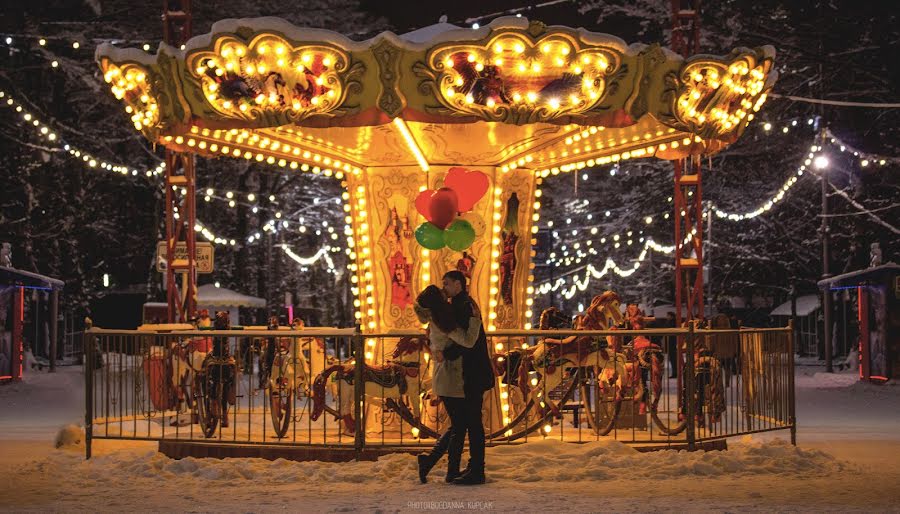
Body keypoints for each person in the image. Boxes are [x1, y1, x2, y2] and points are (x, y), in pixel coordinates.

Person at [414, 285, 481, 484]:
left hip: (445, 378)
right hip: (450, 378)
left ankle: (437, 464)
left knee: (458, 426)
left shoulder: (436, 320)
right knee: (460, 425)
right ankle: (438, 465)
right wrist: (476, 319)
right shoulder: (444, 322)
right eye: (443, 294)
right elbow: (468, 341)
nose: (446, 294)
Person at [440, 270, 495, 485]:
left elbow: (464, 342)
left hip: (471, 372)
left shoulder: (462, 307)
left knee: (472, 422)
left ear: (458, 284)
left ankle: (476, 469)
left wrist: (445, 354)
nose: (444, 287)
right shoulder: (465, 304)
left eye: (447, 283)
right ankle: (472, 466)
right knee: (470, 421)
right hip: (473, 371)